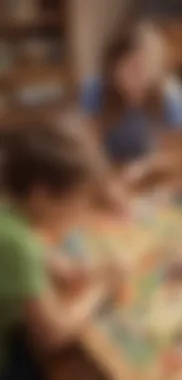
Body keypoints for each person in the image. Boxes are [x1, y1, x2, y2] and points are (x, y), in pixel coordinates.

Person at [0, 122, 117, 379]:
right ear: (40, 196)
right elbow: (52, 336)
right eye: (75, 200)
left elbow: (26, 242)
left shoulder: (8, 200)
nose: (79, 210)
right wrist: (102, 289)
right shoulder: (18, 244)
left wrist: (58, 263)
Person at [80, 26, 182, 166]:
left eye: (148, 66)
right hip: (106, 169)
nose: (140, 75)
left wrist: (143, 171)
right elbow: (90, 148)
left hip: (150, 171)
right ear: (113, 66)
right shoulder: (95, 90)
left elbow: (175, 153)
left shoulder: (171, 96)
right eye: (132, 65)